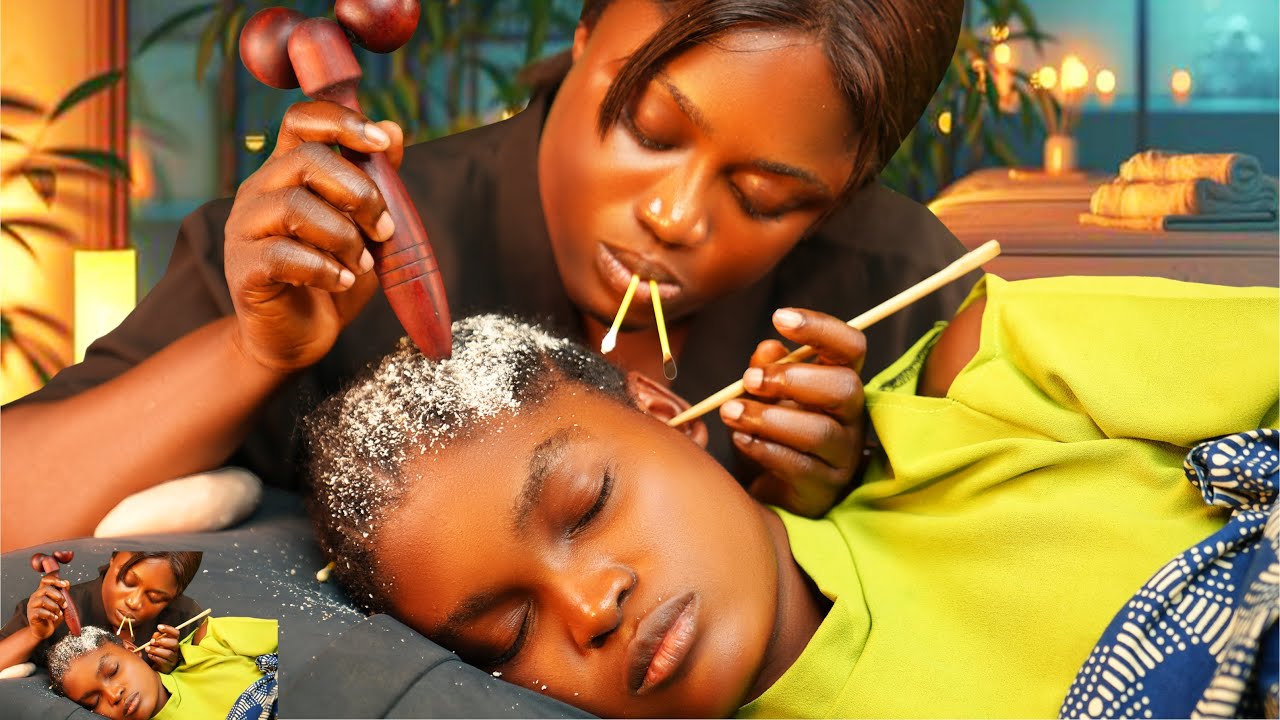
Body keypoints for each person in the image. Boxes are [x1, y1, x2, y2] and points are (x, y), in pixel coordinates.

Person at [1, 0, 974, 549]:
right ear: (584, 34)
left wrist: (844, 498)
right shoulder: (331, 247)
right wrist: (248, 350)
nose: (672, 215)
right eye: (646, 128)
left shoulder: (894, 286)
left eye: (765, 195)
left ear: (843, 192)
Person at [304, 274, 1278, 718]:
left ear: (666, 412)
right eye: (508, 640)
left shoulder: (983, 393)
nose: (588, 606)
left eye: (588, 503)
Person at [0, 551, 204, 674]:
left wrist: (171, 669)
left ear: (176, 595)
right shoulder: (54, 609)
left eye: (156, 598)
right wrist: (34, 634)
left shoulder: (185, 620)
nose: (133, 602)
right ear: (113, 558)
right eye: (128, 582)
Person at [48, 616, 279, 720]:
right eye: (93, 702)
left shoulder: (208, 644)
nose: (113, 695)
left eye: (113, 671)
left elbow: (305, 642)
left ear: (132, 649)